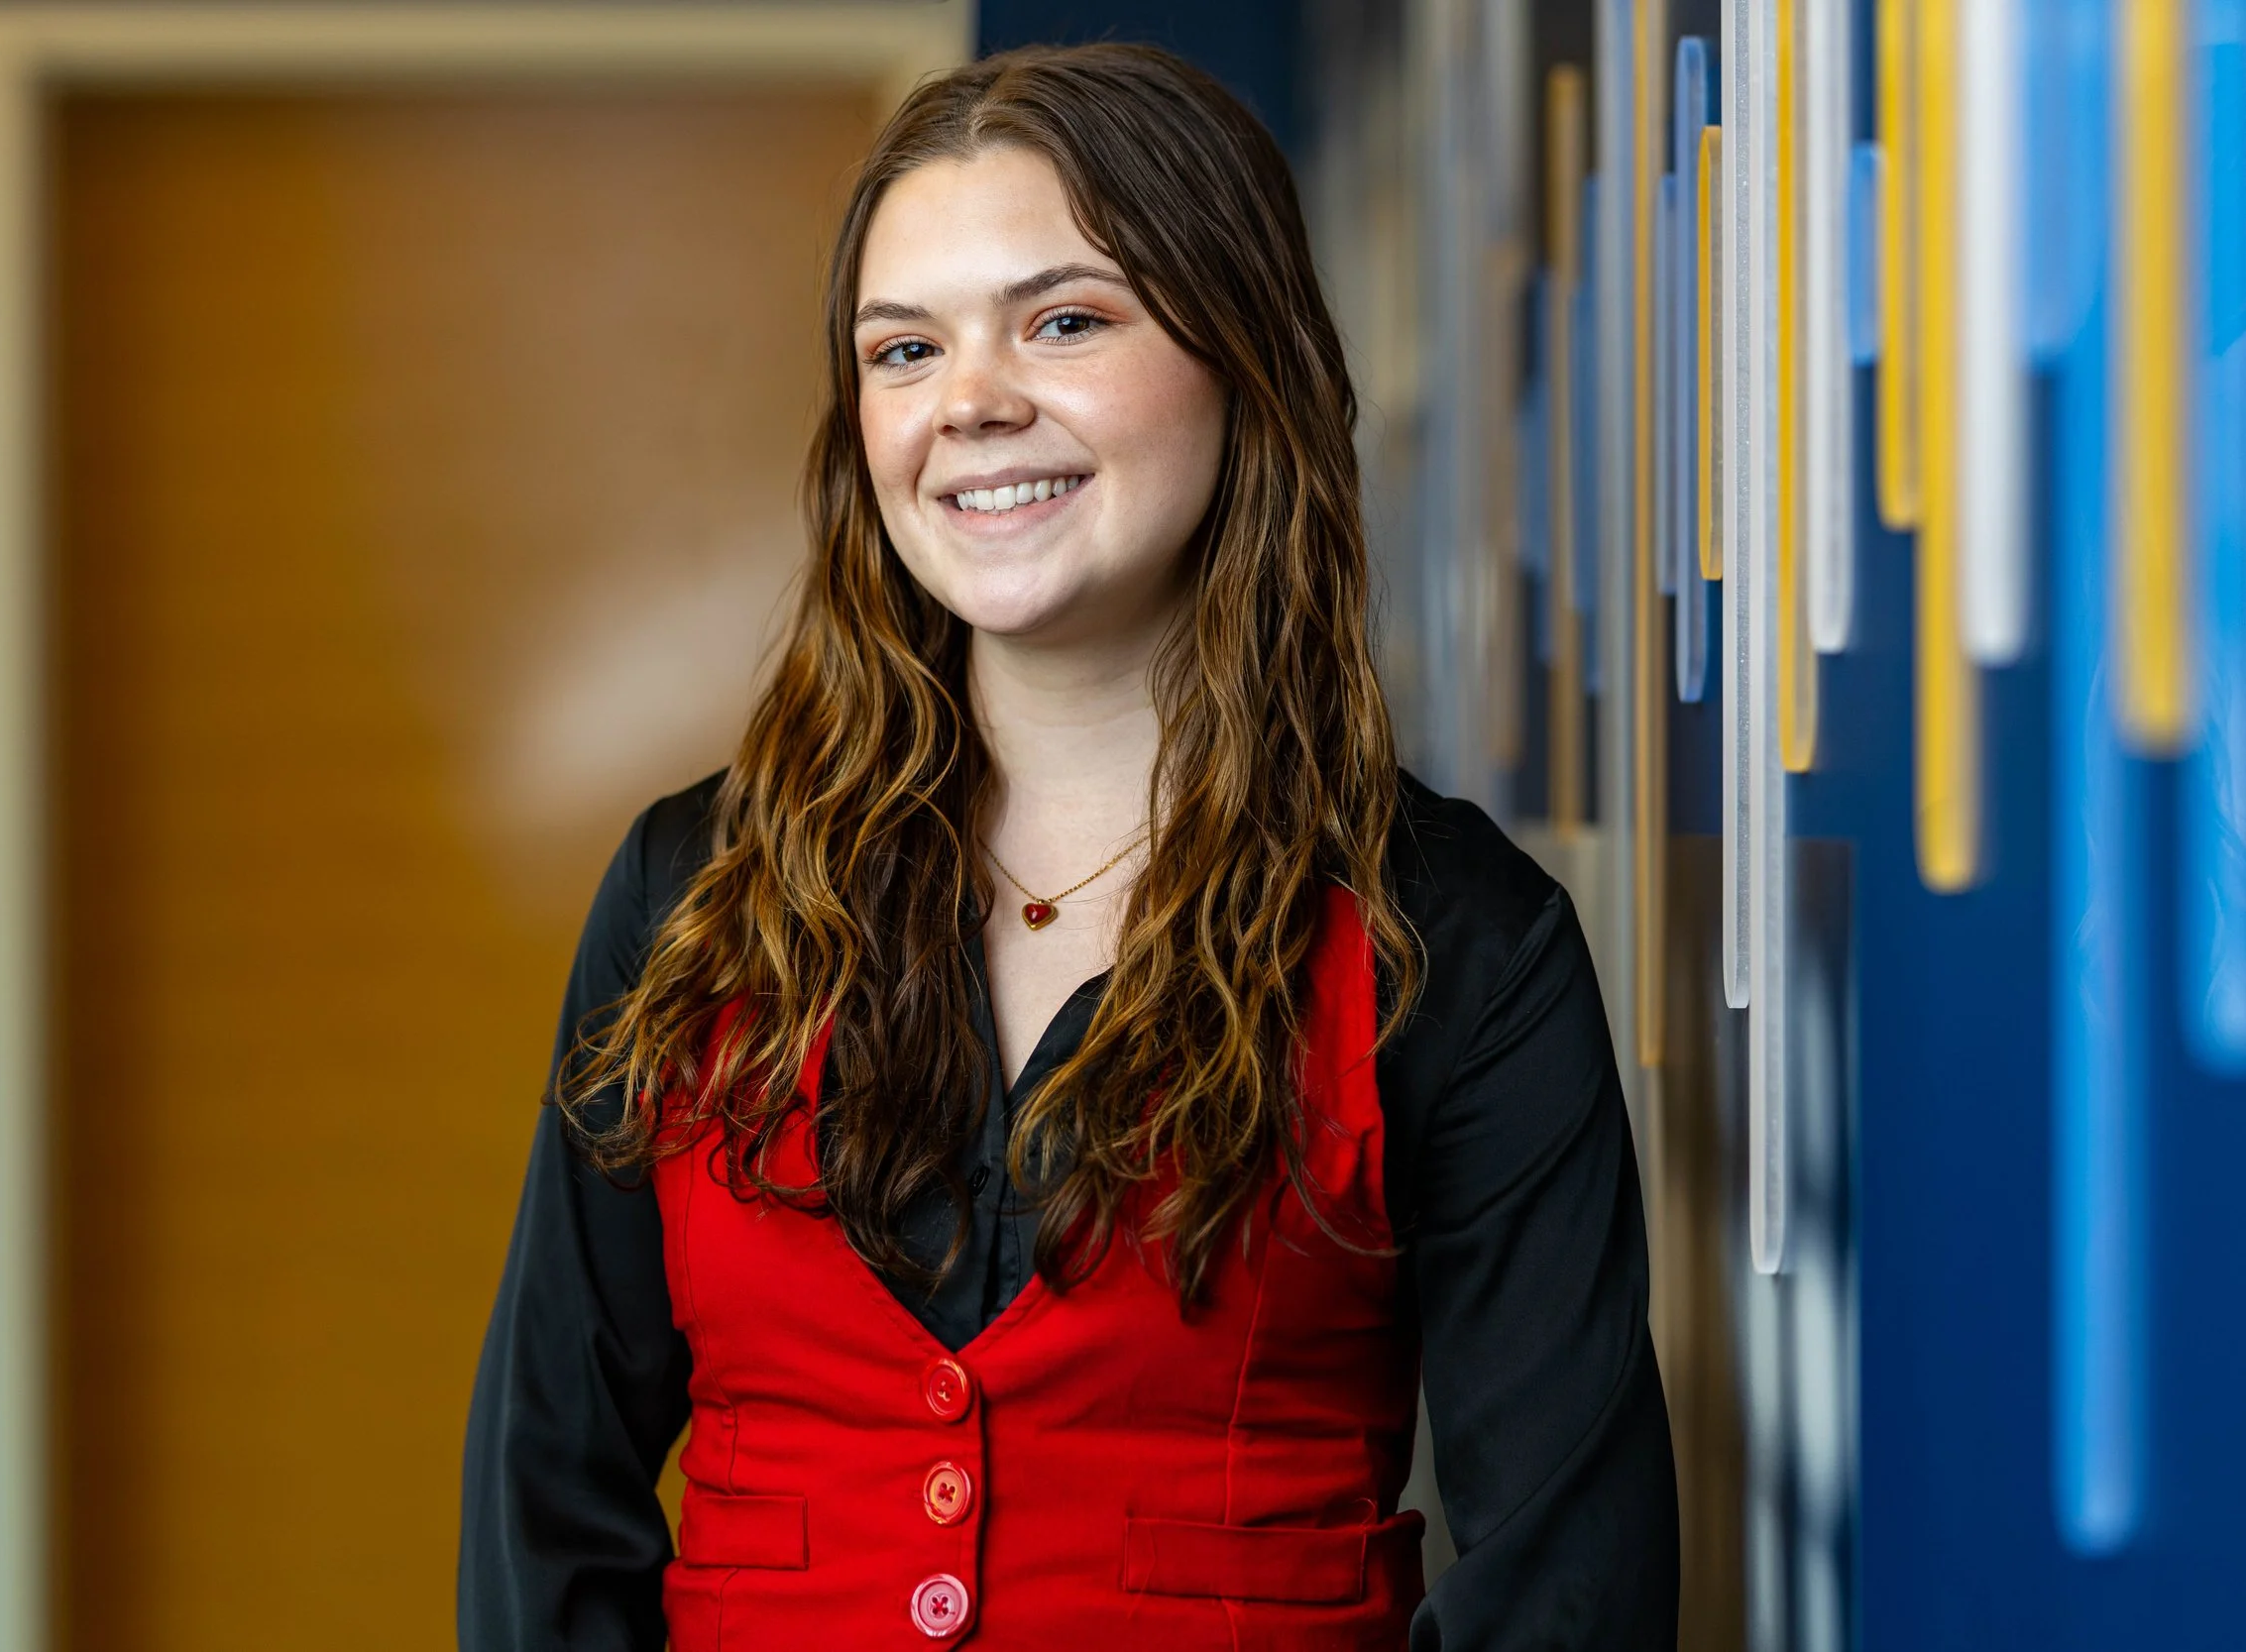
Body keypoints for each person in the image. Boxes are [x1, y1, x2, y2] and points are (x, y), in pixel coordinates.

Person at [459, 43, 1676, 1650]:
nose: (970, 401)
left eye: (1065, 320)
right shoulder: (693, 900)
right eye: (905, 349)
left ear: (1240, 352)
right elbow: (543, 1506)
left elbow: (1567, 1592)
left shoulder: (1456, 945)